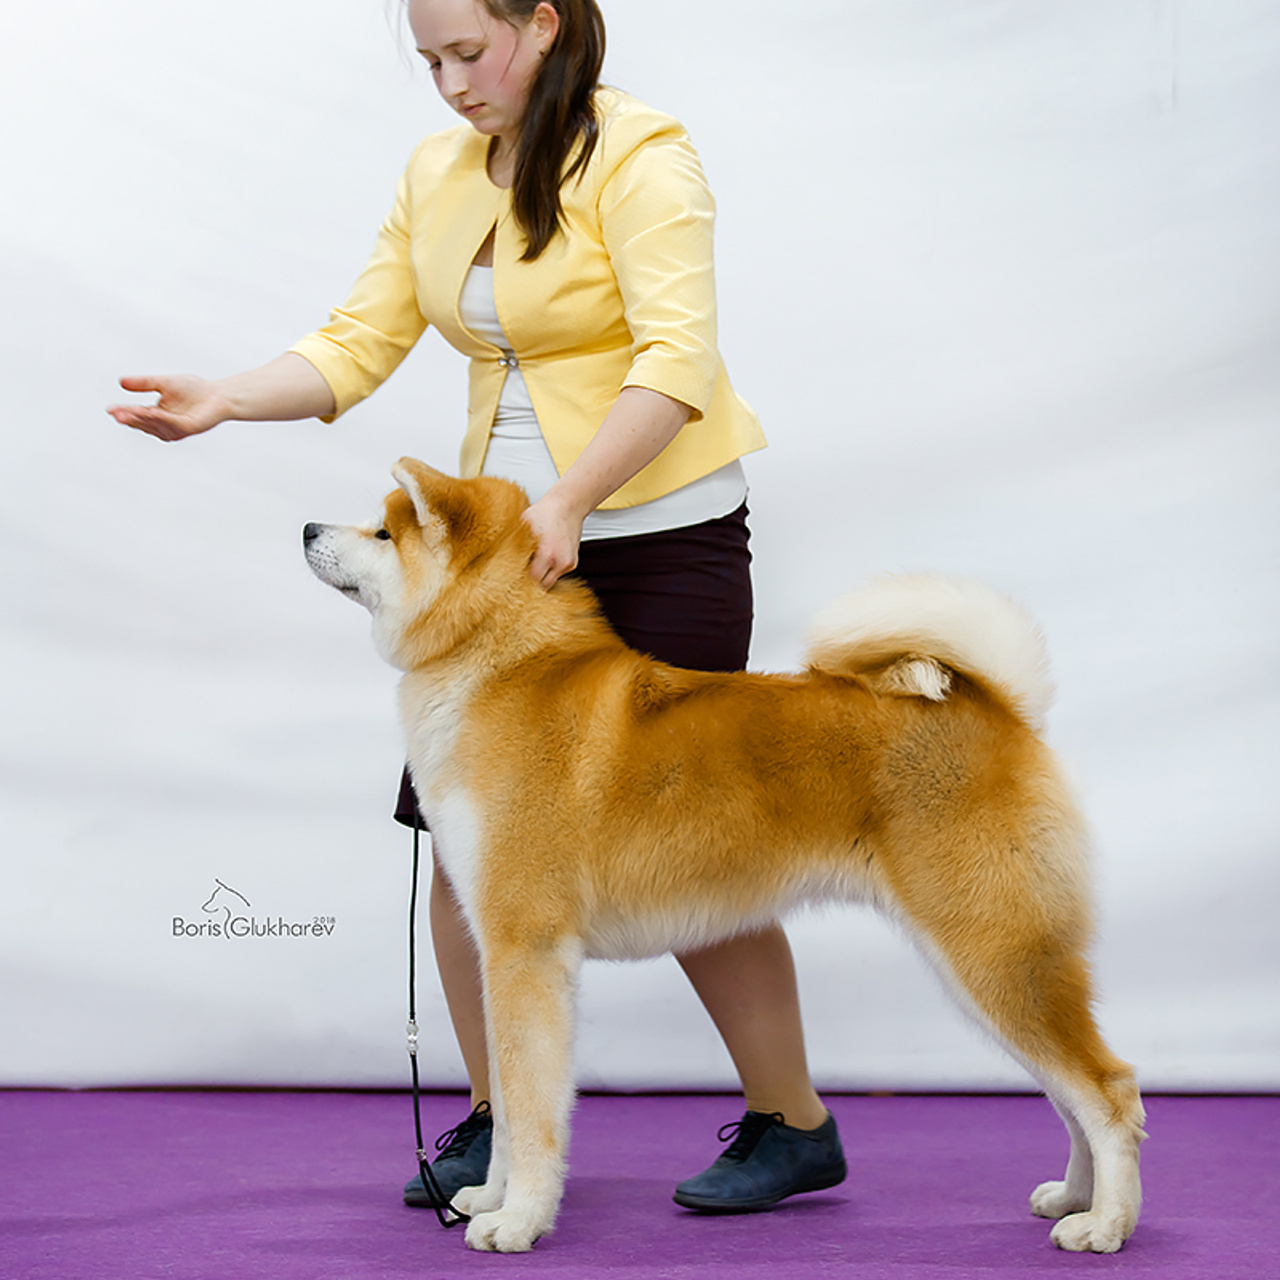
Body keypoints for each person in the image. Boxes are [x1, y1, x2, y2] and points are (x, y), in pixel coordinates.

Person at [108, 0, 845, 1213]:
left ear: (544, 25)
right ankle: (505, 1121)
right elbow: (360, 337)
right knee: (463, 853)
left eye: (469, 51)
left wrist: (568, 501)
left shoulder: (643, 152)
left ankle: (792, 1120)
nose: (449, 84)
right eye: (429, 61)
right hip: (499, 561)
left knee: (693, 843)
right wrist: (226, 398)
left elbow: (677, 355)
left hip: (655, 534)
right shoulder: (440, 170)